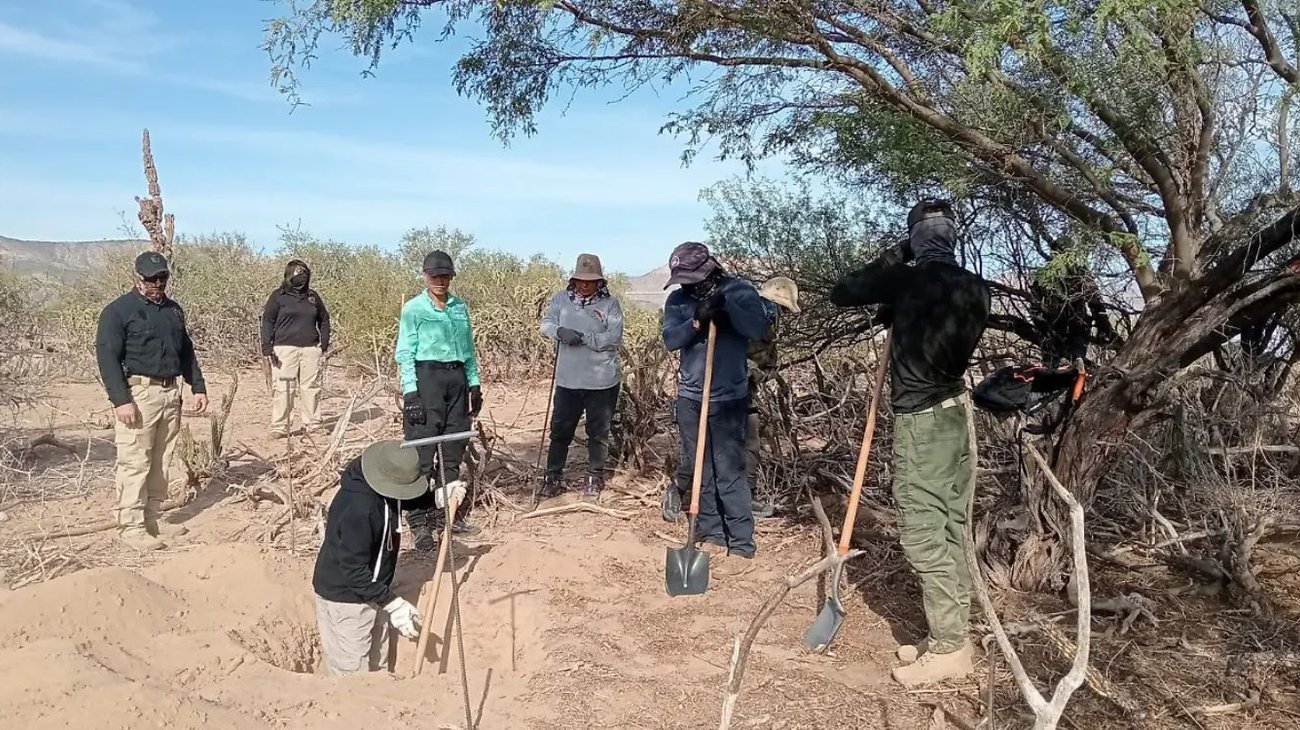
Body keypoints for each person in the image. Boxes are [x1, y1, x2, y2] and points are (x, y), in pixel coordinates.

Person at [830, 199, 991, 686]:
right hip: (956, 418)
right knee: (950, 524)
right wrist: (900, 310)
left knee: (922, 529)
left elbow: (843, 292)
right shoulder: (975, 287)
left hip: (921, 423)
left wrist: (895, 260)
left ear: (916, 238)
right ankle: (949, 632)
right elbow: (936, 326)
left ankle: (949, 648)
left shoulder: (908, 278)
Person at [312, 439, 466, 675]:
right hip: (347, 599)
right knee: (353, 676)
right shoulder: (359, 511)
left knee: (378, 668)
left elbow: (401, 498)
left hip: (374, 591)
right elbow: (353, 571)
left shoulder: (379, 488)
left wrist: (437, 498)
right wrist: (393, 604)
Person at [662, 242, 770, 560]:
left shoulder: (739, 290)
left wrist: (727, 311)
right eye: (683, 279)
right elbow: (670, 340)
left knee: (729, 471)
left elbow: (758, 328)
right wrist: (697, 321)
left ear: (708, 270)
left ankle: (740, 542)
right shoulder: (678, 300)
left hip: (728, 399)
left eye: (692, 279)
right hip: (691, 398)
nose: (687, 285)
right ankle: (712, 533)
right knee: (702, 470)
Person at [95, 251, 208, 551]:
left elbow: (186, 352)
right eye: (151, 279)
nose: (157, 284)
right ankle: (130, 526)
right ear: (137, 277)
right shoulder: (118, 311)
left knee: (162, 459)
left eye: (162, 278)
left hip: (171, 394)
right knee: (135, 461)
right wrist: (121, 400)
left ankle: (152, 518)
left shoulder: (173, 311)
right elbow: (107, 358)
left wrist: (197, 387)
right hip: (139, 394)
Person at [395, 250, 483, 553]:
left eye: (446, 276)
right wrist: (411, 392)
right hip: (426, 378)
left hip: (456, 379)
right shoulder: (413, 309)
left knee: (451, 450)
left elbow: (469, 348)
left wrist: (474, 383)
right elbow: (405, 351)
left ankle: (444, 515)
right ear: (425, 275)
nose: (441, 281)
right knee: (421, 453)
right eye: (435, 276)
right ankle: (419, 523)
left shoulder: (460, 308)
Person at [538, 253, 625, 502]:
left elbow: (614, 336)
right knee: (560, 430)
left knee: (598, 431)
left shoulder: (610, 304)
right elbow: (545, 324)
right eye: (580, 280)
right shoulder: (560, 300)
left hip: (602, 381)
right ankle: (553, 475)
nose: (584, 285)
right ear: (573, 280)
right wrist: (559, 331)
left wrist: (586, 338)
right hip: (568, 380)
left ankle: (594, 476)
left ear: (599, 282)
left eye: (590, 281)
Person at [746, 276, 800, 518]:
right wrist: (752, 371)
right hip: (729, 391)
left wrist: (766, 371)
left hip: (747, 392)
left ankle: (747, 497)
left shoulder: (769, 322)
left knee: (750, 444)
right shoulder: (745, 318)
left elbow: (768, 358)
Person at [260, 259, 332, 437]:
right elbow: (267, 320)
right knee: (284, 388)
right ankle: (280, 426)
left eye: (305, 273)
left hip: (310, 349)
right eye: (298, 273)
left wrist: (323, 343)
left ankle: (313, 423)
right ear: (289, 274)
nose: (302, 276)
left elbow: (324, 319)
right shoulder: (278, 296)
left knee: (311, 387)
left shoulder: (313, 297)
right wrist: (267, 347)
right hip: (284, 350)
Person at [1029, 239, 1117, 368]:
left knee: (1054, 368)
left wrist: (1043, 331)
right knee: (1075, 362)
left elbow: (1034, 310)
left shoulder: (1042, 276)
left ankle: (1066, 365)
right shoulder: (1081, 273)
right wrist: (1104, 328)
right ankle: (1075, 363)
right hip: (1076, 325)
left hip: (1052, 329)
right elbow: (1095, 302)